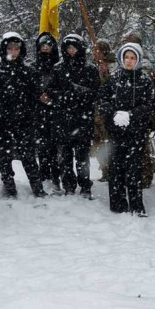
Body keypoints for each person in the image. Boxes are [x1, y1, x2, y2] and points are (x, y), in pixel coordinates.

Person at [0, 31, 45, 198]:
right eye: (9, 48)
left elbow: (36, 94)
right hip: (0, 121)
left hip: (24, 120)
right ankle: (9, 187)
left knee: (29, 156)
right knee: (4, 157)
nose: (13, 51)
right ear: (4, 49)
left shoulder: (28, 70)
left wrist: (32, 114)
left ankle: (37, 188)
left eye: (16, 48)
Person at [97, 42, 155, 216]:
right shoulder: (113, 79)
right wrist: (114, 114)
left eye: (132, 58)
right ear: (121, 59)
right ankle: (117, 203)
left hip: (136, 132)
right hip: (116, 132)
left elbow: (149, 105)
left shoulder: (144, 80)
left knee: (134, 168)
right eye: (126, 57)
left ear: (137, 60)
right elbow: (102, 100)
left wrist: (131, 114)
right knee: (116, 168)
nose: (129, 61)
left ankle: (136, 203)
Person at [54, 33, 100, 197]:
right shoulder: (58, 68)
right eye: (69, 48)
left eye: (74, 48)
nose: (71, 51)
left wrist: (79, 92)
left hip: (82, 119)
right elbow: (52, 91)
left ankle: (85, 184)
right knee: (65, 157)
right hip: (64, 119)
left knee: (82, 157)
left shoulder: (89, 69)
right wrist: (65, 95)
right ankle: (68, 184)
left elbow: (95, 92)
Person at [120, 29, 155, 189]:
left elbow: (150, 93)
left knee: (142, 151)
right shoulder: (123, 60)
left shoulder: (145, 64)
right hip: (123, 116)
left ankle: (145, 178)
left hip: (141, 116)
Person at [33, 31, 62, 192]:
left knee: (55, 146)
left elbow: (63, 87)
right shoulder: (34, 67)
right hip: (39, 112)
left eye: (48, 46)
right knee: (42, 146)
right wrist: (39, 96)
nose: (45, 49)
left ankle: (56, 176)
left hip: (56, 111)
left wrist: (52, 97)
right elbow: (31, 87)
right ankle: (44, 175)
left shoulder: (58, 66)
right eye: (42, 46)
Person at [91, 39, 116, 181]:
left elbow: (111, 87)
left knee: (108, 142)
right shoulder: (94, 66)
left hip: (106, 112)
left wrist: (105, 74)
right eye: (94, 50)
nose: (94, 53)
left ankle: (112, 170)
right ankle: (105, 170)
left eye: (97, 50)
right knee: (98, 143)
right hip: (95, 111)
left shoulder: (113, 66)